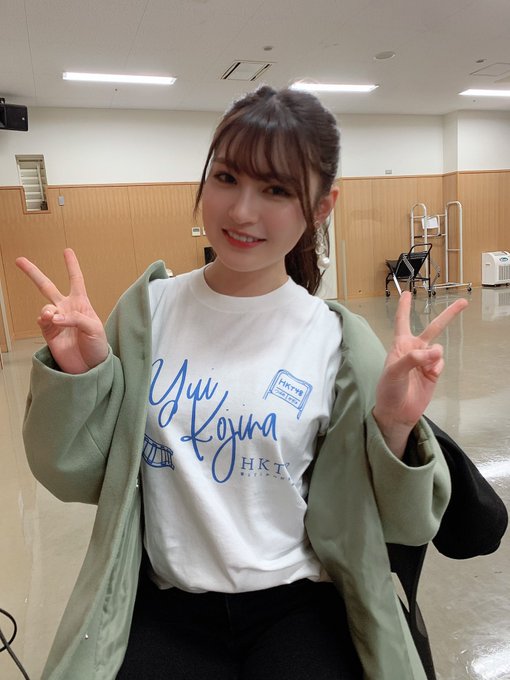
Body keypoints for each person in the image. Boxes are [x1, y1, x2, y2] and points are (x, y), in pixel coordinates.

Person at [16, 85, 467, 680]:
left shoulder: (336, 339)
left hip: (295, 605)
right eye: (226, 178)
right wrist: (84, 376)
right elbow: (77, 477)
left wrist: (395, 428)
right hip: (165, 604)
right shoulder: (147, 312)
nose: (241, 211)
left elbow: (403, 525)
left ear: (322, 206)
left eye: (276, 190)